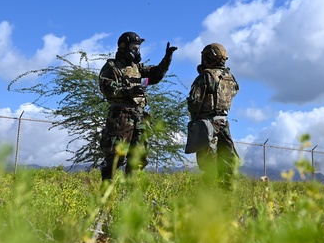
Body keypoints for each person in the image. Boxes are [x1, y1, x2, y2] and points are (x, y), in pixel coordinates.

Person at [98, 31, 178, 181]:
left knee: (138, 158)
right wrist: (128, 91)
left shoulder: (137, 68)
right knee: (115, 157)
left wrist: (167, 59)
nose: (137, 51)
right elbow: (106, 88)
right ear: (123, 46)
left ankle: (132, 198)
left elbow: (155, 75)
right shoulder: (112, 67)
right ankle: (105, 197)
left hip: (139, 116)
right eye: (134, 47)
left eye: (138, 47)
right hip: (120, 116)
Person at [187, 43, 239, 189]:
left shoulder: (207, 75)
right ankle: (226, 192)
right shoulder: (230, 77)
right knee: (227, 160)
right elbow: (234, 92)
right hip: (224, 122)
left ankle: (208, 196)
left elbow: (194, 101)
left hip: (207, 124)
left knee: (209, 162)